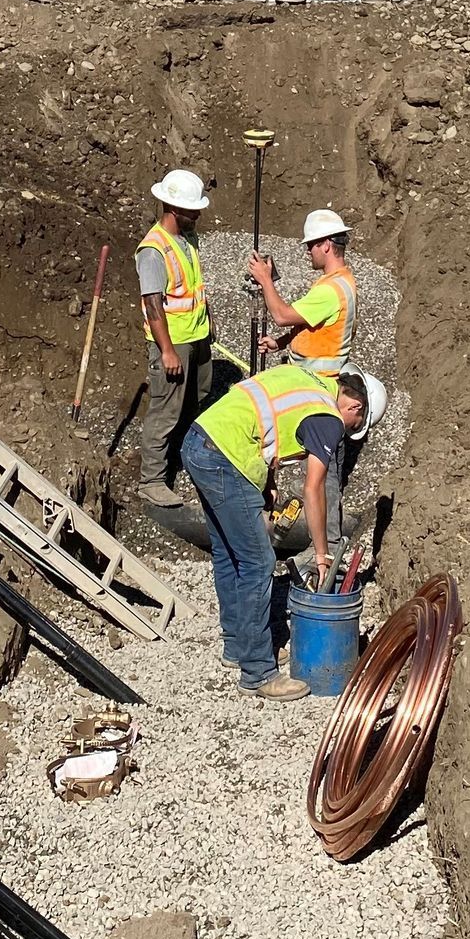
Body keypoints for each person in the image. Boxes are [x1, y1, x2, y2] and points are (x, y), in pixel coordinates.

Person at [181, 364, 371, 700]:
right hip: (226, 456)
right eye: (355, 427)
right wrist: (323, 553)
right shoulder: (327, 417)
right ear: (354, 408)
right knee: (258, 562)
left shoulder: (309, 380)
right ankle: (258, 672)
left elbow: (265, 422)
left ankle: (239, 647)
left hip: (200, 440)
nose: (349, 433)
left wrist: (266, 483)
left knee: (228, 551)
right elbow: (314, 490)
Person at [136, 168, 214, 507]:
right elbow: (154, 307)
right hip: (174, 343)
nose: (197, 214)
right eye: (192, 209)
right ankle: (151, 480)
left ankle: (183, 458)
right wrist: (167, 350)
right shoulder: (153, 250)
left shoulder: (186, 239)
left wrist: (208, 322)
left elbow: (193, 288)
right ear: (172, 208)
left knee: (196, 400)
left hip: (197, 337)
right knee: (166, 410)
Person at [248, 209, 357, 386]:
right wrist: (280, 343)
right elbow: (312, 325)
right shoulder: (342, 280)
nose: (308, 251)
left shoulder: (329, 291)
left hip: (315, 382)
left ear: (326, 245)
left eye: (311, 244)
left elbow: (282, 316)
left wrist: (265, 279)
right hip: (315, 379)